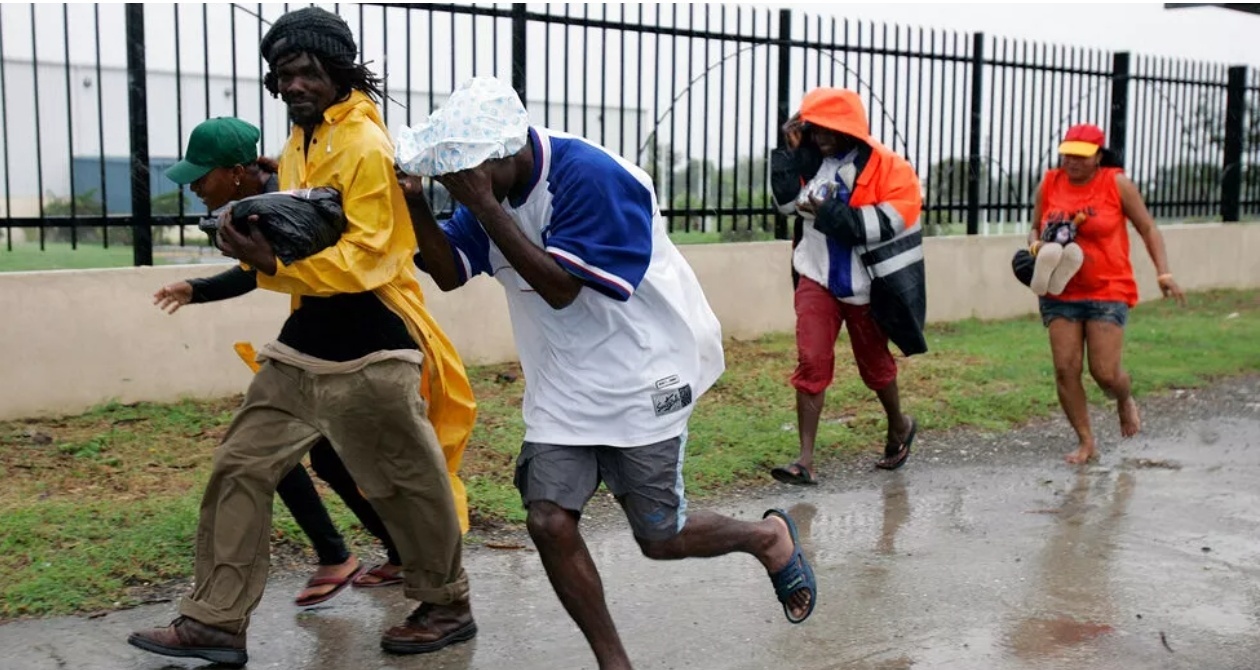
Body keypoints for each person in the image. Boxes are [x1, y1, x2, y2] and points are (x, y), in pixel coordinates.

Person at [399, 76, 817, 670]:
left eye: (462, 175)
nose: (457, 189)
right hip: (564, 387)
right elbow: (447, 272)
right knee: (547, 518)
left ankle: (767, 538)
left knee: (659, 537)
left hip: (644, 372)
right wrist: (417, 200)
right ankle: (614, 662)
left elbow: (561, 288)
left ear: (500, 154)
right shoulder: (489, 190)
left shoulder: (591, 176)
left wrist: (485, 206)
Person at [128, 8, 478, 666]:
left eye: (308, 71)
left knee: (403, 479)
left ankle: (445, 602)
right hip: (307, 339)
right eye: (284, 73)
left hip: (375, 338)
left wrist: (271, 263)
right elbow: (303, 228)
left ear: (339, 72)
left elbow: (369, 258)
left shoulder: (366, 147)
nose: (293, 84)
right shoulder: (301, 141)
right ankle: (215, 621)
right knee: (241, 464)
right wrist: (265, 208)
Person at [152, 117, 409, 607]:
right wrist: (196, 289)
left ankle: (405, 571)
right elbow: (263, 268)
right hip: (329, 332)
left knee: (276, 451)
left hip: (356, 336)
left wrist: (203, 288)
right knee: (322, 457)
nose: (194, 188)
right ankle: (389, 556)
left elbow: (276, 267)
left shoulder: (279, 199)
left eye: (200, 177)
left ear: (233, 171)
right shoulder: (268, 196)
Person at [767, 87, 926, 485]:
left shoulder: (894, 170)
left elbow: (878, 226)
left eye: (829, 131)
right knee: (811, 360)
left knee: (875, 367)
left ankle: (899, 425)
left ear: (851, 130)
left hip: (867, 286)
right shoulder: (810, 161)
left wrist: (829, 212)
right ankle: (804, 460)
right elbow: (786, 206)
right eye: (814, 129)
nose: (820, 138)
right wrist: (788, 154)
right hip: (815, 276)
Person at [1029, 124, 1185, 465]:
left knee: (1106, 373)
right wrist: (1036, 246)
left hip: (1107, 289)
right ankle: (1086, 442)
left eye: (1082, 156)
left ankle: (1123, 399)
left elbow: (1147, 227)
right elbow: (1036, 225)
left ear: (1099, 156)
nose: (1072, 161)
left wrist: (1164, 272)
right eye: (1068, 154)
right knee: (1065, 369)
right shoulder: (1050, 182)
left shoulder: (1116, 183)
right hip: (1060, 289)